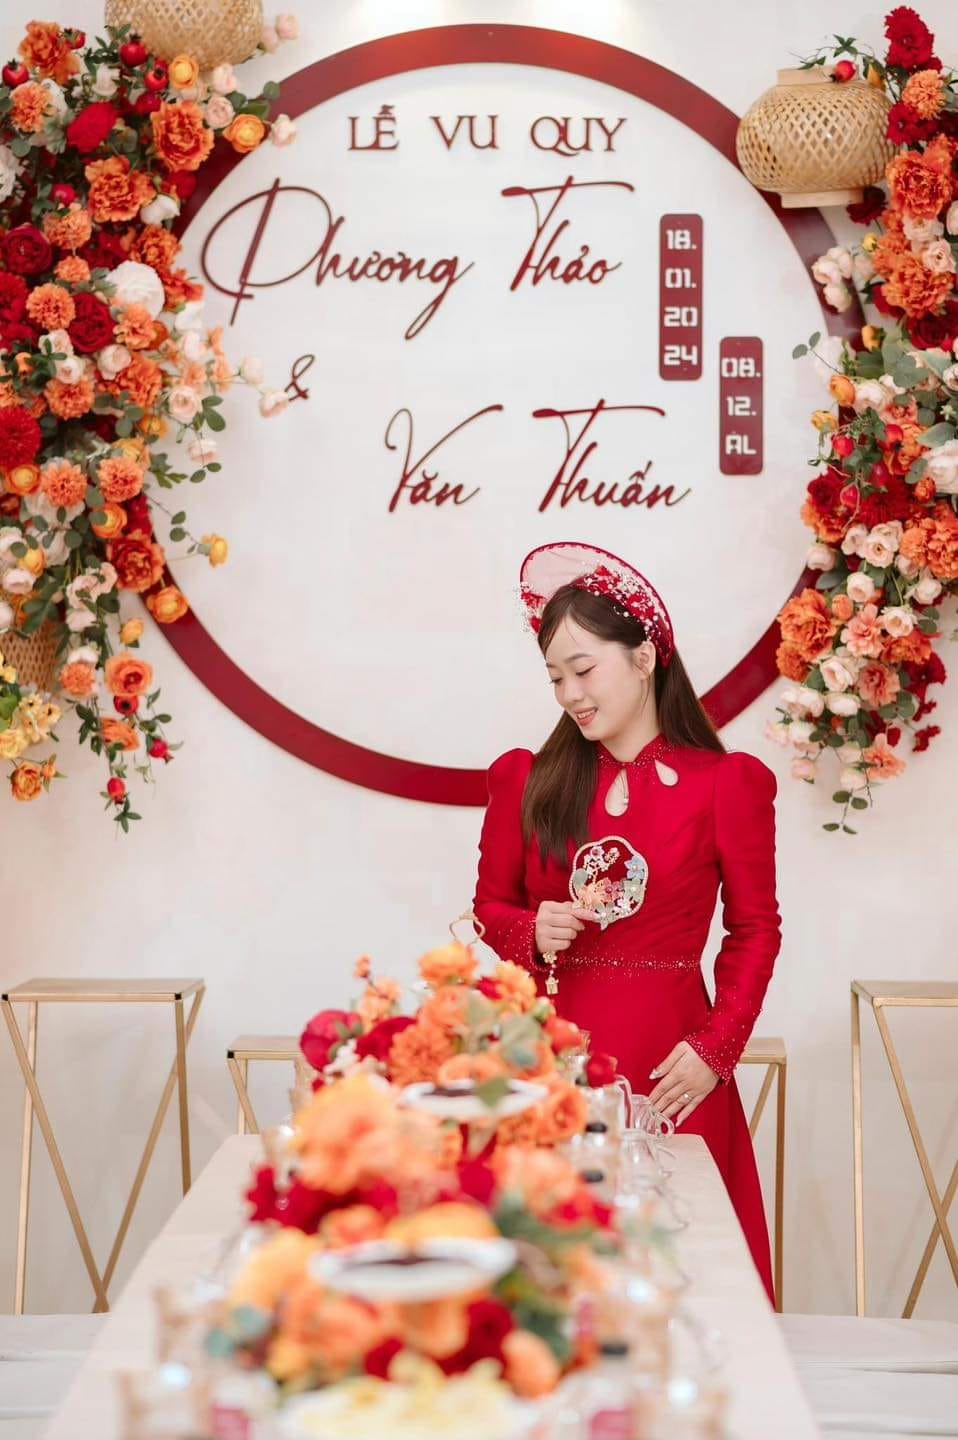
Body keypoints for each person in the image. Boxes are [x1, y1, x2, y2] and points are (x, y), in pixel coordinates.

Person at [473, 541, 781, 1303]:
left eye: (583, 670)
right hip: (552, 1063)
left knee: (686, 1280)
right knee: (552, 1285)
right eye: (555, 677)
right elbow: (491, 907)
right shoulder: (528, 780)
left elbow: (754, 929)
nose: (570, 694)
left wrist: (717, 1048)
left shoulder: (726, 785)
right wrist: (530, 932)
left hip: (673, 1067)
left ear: (645, 657)